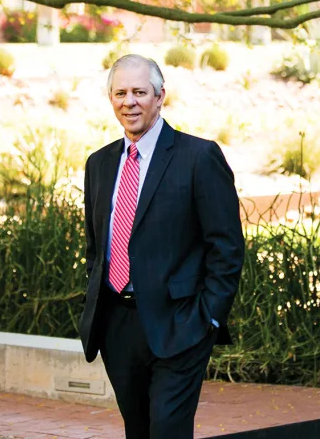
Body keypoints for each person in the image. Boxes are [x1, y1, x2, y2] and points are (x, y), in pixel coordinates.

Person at [80, 54, 245, 439]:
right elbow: (95, 246)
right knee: (138, 430)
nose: (129, 101)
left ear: (160, 96)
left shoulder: (198, 157)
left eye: (140, 91)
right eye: (120, 93)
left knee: (168, 430)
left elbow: (227, 247)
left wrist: (209, 318)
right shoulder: (99, 164)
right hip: (118, 325)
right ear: (110, 99)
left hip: (181, 322)